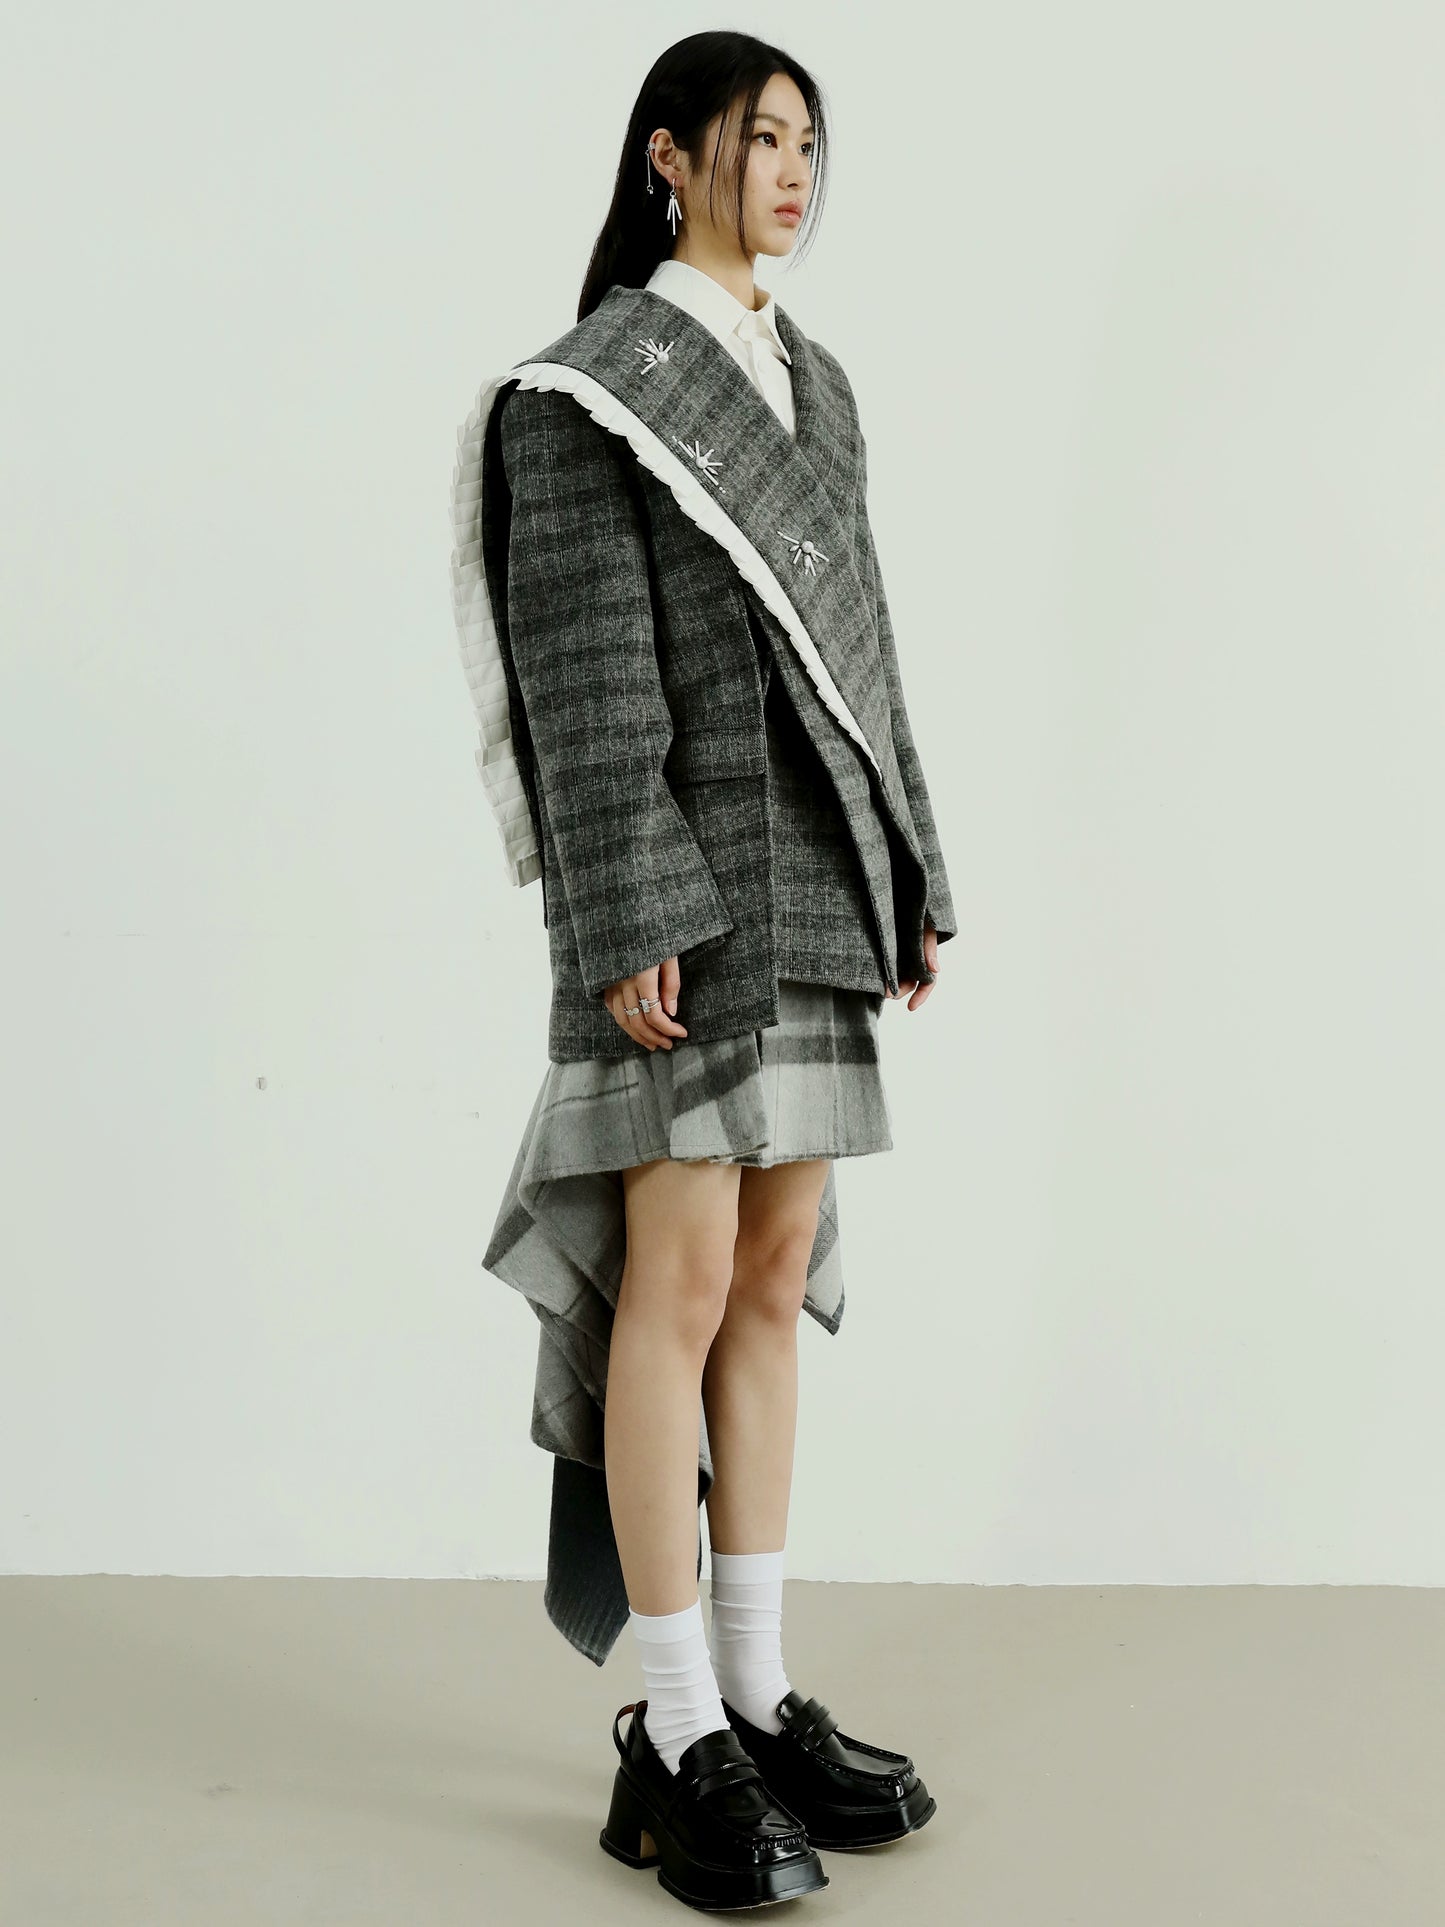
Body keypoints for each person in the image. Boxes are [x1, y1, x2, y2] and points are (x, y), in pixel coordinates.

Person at [448, 29, 956, 1911]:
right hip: (682, 901)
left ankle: (751, 1690)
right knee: (668, 1281)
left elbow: (870, 650)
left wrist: (915, 869)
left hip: (816, 881)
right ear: (669, 157)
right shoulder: (582, 394)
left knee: (767, 1273)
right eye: (761, 139)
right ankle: (670, 1733)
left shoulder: (817, 385)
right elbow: (584, 677)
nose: (793, 172)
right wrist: (630, 914)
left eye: (811, 142)